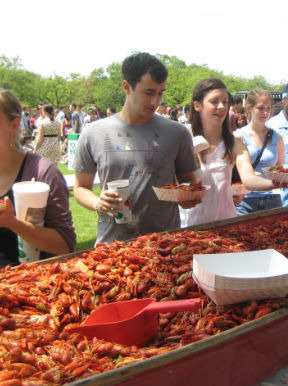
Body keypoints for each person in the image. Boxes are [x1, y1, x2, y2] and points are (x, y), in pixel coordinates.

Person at [73, 52, 199, 244]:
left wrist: (188, 195)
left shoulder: (177, 133)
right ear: (127, 87)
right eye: (148, 93)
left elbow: (188, 183)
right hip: (111, 246)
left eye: (160, 93)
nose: (155, 102)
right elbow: (81, 188)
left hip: (164, 246)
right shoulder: (93, 132)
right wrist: (97, 202)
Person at [0, 88, 75, 280]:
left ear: (14, 125)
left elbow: (64, 246)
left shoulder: (42, 172)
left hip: (29, 294)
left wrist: (12, 223)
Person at [181, 79, 278, 226]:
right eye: (214, 101)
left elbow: (249, 178)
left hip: (225, 226)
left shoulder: (234, 144)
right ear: (197, 105)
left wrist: (279, 182)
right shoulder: (183, 138)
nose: (221, 107)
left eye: (225, 102)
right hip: (189, 226)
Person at [233, 88, 285, 215]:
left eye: (268, 108)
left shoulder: (276, 138)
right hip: (245, 200)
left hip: (272, 199)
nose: (265, 112)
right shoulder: (238, 136)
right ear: (249, 108)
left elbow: (280, 169)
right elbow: (230, 171)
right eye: (261, 108)